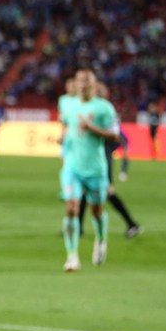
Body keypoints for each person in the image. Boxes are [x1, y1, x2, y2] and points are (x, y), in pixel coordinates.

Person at [59, 69, 121, 272]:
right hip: (72, 167)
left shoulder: (104, 108)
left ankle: (101, 239)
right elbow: (67, 127)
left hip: (95, 169)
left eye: (87, 81)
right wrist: (63, 141)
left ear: (94, 85)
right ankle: (72, 256)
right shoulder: (68, 105)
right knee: (71, 208)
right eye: (80, 81)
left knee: (97, 210)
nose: (83, 85)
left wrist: (92, 128)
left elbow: (115, 136)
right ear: (75, 84)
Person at [77, 81, 142, 239]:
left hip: (103, 156)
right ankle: (78, 228)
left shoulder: (106, 110)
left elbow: (115, 135)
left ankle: (132, 224)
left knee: (106, 191)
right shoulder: (92, 109)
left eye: (98, 90)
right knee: (85, 189)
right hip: (94, 155)